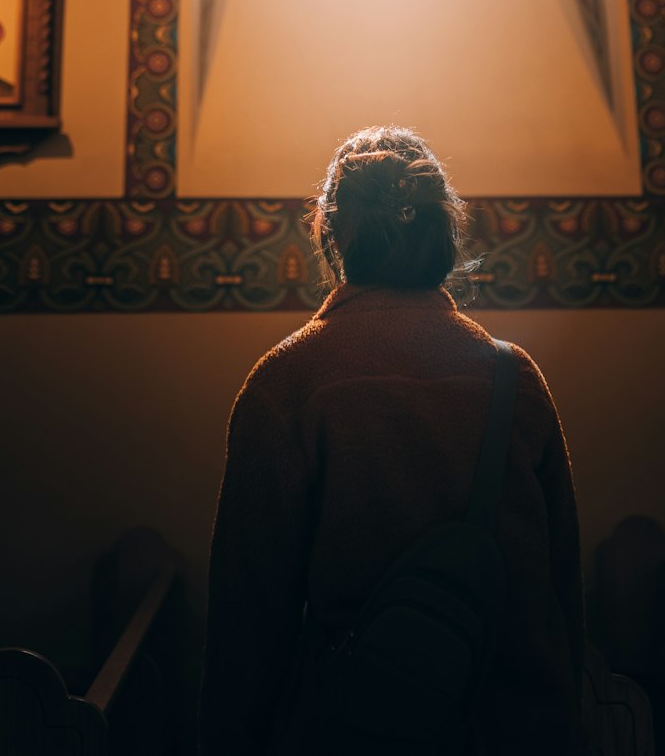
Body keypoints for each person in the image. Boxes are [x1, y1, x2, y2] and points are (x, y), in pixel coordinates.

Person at [198, 126, 586, 754]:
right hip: (518, 728)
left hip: (358, 729)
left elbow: (249, 623)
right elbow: (562, 592)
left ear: (330, 234)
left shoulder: (287, 383)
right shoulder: (515, 378)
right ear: (445, 234)